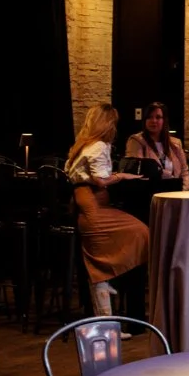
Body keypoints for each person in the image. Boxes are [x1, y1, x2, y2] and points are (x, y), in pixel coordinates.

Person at [65, 101, 149, 316]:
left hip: (83, 203)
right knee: (141, 232)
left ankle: (107, 321)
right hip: (93, 204)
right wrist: (122, 175)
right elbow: (101, 180)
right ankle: (119, 289)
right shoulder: (99, 146)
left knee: (99, 262)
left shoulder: (81, 145)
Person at [121, 101, 189, 186]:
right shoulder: (136, 141)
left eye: (158, 117)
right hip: (149, 194)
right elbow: (138, 173)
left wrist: (181, 193)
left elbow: (184, 173)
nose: (153, 121)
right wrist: (166, 175)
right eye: (149, 117)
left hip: (175, 194)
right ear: (145, 120)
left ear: (164, 120)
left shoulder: (176, 143)